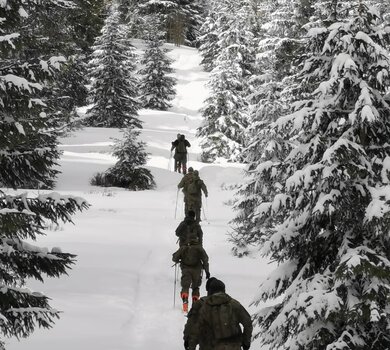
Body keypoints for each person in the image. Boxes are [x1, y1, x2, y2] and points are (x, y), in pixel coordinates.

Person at [188, 279, 253, 350]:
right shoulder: (234, 305)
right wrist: (246, 342)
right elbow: (248, 323)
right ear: (224, 290)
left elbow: (195, 329)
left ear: (210, 291)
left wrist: (191, 346)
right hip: (234, 346)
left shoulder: (205, 308)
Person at [172, 238, 210, 313]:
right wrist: (207, 271)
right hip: (197, 270)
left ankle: (185, 302)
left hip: (186, 269)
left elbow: (174, 258)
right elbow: (205, 259)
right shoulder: (199, 248)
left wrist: (177, 259)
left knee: (185, 286)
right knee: (195, 287)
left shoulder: (183, 247)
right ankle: (195, 303)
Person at [183, 277, 218, 350]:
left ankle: (186, 296)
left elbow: (191, 324)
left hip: (207, 344)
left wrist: (187, 340)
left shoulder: (200, 304)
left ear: (208, 289)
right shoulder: (231, 303)